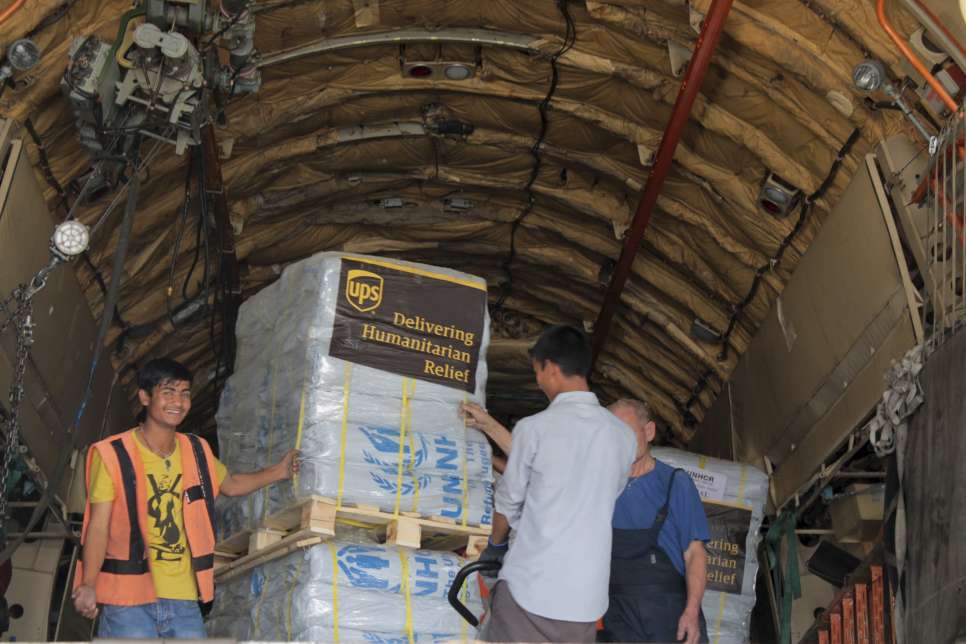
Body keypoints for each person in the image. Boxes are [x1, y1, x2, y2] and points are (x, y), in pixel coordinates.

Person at [71, 358, 300, 639]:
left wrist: (280, 471)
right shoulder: (112, 454)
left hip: (184, 599)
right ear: (145, 396)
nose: (177, 402)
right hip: (127, 600)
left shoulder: (196, 449)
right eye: (167, 392)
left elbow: (231, 484)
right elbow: (98, 526)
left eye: (185, 393)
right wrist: (89, 583)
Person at [462, 397, 710, 644]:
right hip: (617, 615)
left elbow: (694, 554)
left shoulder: (674, 483)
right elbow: (537, 462)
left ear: (649, 431)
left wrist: (691, 611)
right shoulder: (599, 481)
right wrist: (489, 428)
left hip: (669, 615)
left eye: (627, 434)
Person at [470, 325, 636, 643]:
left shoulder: (534, 429)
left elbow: (508, 502)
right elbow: (608, 494)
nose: (538, 381)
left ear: (552, 368)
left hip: (530, 591)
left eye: (538, 372)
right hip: (585, 605)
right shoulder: (622, 437)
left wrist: (495, 547)